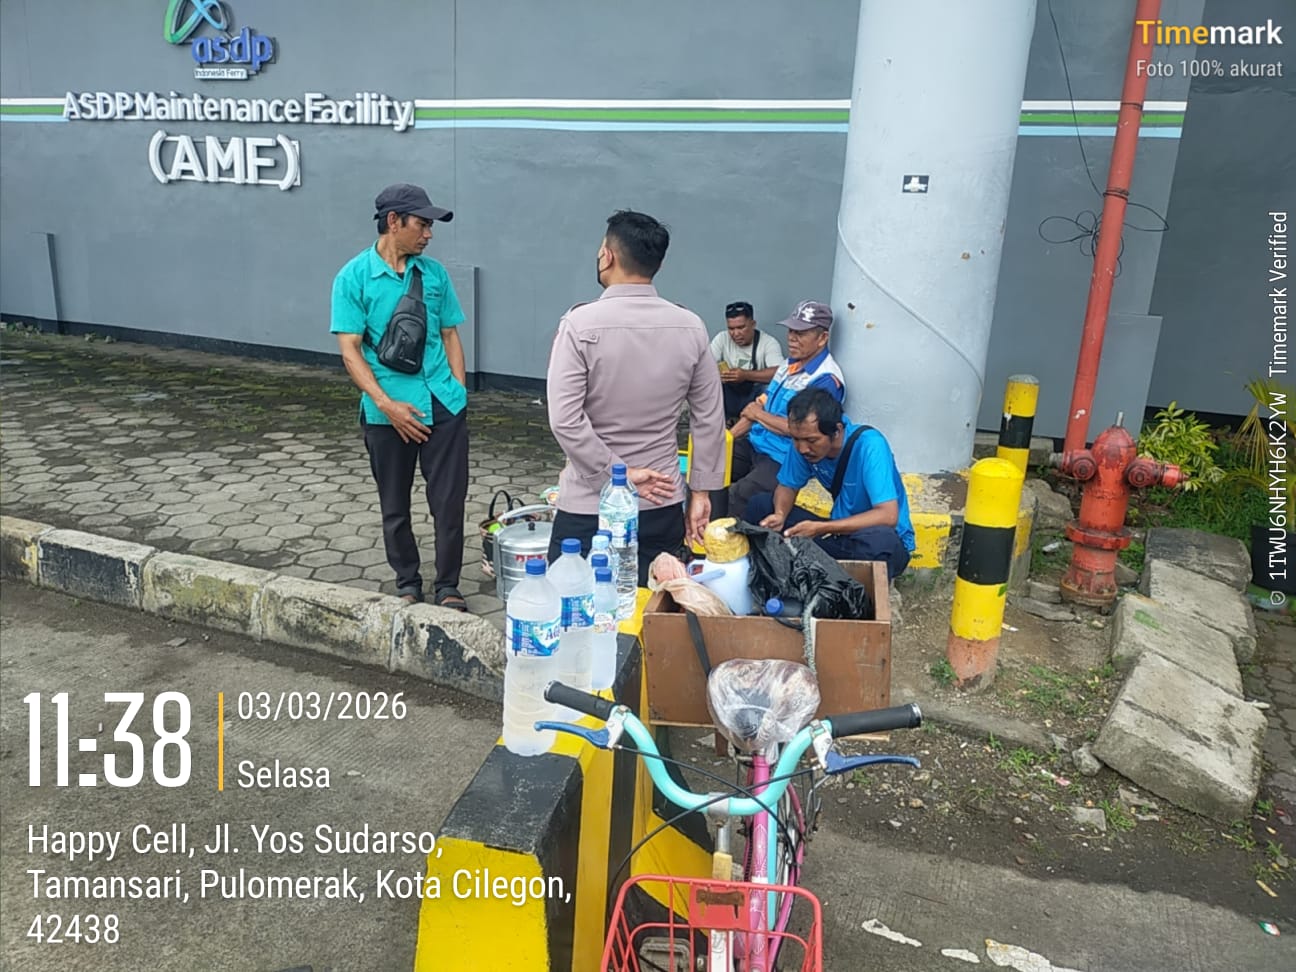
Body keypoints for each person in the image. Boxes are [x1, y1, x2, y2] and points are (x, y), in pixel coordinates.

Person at [546, 210, 726, 585]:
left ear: (608, 256)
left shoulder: (580, 324)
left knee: (575, 607)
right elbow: (709, 416)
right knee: (654, 606)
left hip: (589, 504)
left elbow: (565, 419)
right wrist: (701, 491)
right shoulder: (690, 326)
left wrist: (616, 477)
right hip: (660, 499)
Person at [330, 184, 471, 611]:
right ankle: (407, 581)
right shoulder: (354, 277)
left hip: (442, 403)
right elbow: (350, 350)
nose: (429, 234)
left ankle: (448, 586)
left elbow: (450, 334)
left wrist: (458, 392)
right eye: (422, 224)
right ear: (394, 221)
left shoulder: (434, 275)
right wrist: (386, 404)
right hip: (387, 411)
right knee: (394, 504)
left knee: (449, 502)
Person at [746, 387, 915, 579]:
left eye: (811, 440)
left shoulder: (870, 446)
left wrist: (822, 528)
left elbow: (888, 515)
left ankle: (808, 563)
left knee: (882, 544)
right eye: (796, 439)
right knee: (760, 505)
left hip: (873, 538)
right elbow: (787, 486)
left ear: (837, 431)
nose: (802, 448)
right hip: (837, 535)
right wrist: (780, 514)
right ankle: (806, 564)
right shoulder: (803, 446)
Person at [714, 299, 845, 521]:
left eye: (801, 333)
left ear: (822, 338)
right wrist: (726, 440)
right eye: (791, 331)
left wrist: (758, 415)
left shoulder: (825, 379)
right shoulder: (788, 364)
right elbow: (757, 407)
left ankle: (721, 540)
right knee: (709, 464)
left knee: (740, 494)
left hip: (783, 455)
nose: (792, 338)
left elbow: (801, 430)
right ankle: (697, 532)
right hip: (756, 442)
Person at [710, 300, 783, 424]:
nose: (736, 333)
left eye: (741, 327)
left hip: (754, 399)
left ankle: (754, 425)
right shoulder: (722, 338)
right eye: (731, 329)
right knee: (711, 386)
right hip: (729, 397)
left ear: (753, 324)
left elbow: (780, 373)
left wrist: (746, 375)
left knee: (770, 389)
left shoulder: (768, 343)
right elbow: (705, 366)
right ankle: (719, 424)